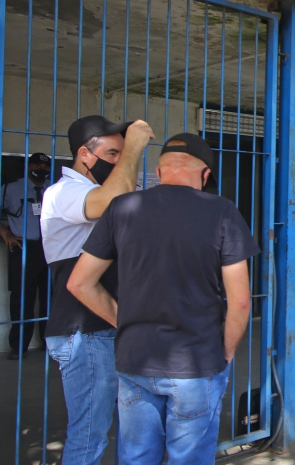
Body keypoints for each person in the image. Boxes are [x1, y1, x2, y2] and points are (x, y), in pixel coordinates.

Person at [67, 133, 259, 464]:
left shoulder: (123, 208)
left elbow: (80, 283)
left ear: (159, 171)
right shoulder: (222, 212)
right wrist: (225, 352)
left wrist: (122, 321)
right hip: (198, 362)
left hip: (136, 359)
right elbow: (240, 300)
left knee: (137, 456)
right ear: (205, 174)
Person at [41, 115, 154, 465]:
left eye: (122, 154)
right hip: (85, 332)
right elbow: (114, 201)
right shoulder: (63, 193)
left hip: (108, 327)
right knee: (88, 436)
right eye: (112, 154)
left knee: (132, 429)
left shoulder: (90, 191)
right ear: (84, 155)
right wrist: (134, 145)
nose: (119, 161)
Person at [2, 153, 52, 360]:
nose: (41, 168)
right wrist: (6, 233)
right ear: (28, 166)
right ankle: (19, 346)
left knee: (51, 298)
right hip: (24, 248)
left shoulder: (55, 189)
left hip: (52, 248)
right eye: (36, 164)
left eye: (45, 165)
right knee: (22, 298)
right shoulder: (11, 189)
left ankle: (50, 343)